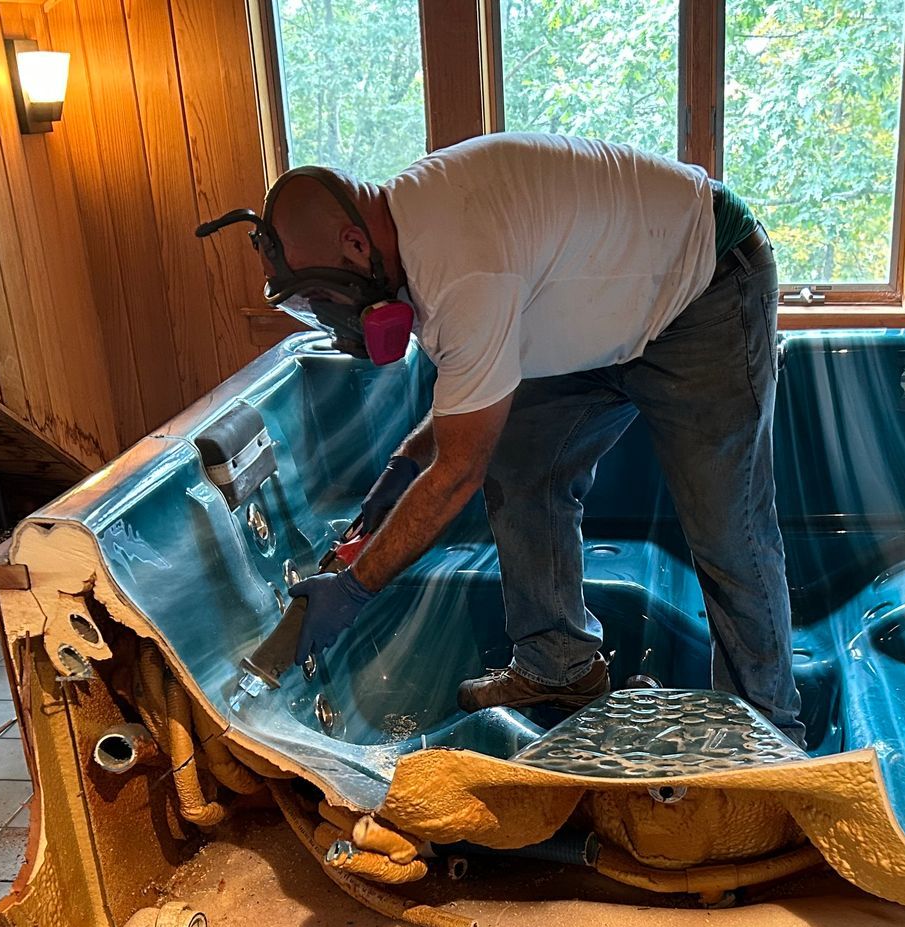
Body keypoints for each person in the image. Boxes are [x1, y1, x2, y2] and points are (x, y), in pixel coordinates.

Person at [213, 132, 804, 746]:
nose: (332, 323)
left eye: (324, 298)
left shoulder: (459, 267)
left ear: (357, 245)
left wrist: (355, 590)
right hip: (610, 303)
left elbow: (460, 467)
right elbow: (470, 410)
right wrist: (400, 469)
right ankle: (560, 669)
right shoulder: (416, 242)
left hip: (701, 285)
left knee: (728, 525)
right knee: (523, 463)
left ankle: (765, 727)